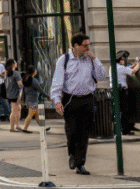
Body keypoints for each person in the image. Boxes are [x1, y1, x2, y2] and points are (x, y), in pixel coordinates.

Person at [50, 32, 105, 175]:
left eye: (88, 45)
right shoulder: (64, 60)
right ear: (76, 46)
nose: (88, 48)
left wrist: (95, 60)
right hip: (71, 99)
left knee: (84, 133)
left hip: (88, 98)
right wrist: (57, 101)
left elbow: (101, 76)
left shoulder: (90, 59)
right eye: (85, 45)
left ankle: (80, 164)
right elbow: (57, 81)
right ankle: (73, 154)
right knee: (72, 131)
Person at [109, 51, 140, 134]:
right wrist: (137, 65)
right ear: (121, 60)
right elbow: (133, 71)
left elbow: (126, 69)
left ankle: (117, 129)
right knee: (124, 111)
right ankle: (126, 130)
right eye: (125, 59)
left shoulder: (113, 67)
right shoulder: (120, 68)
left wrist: (133, 66)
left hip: (115, 90)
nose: (126, 61)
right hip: (121, 91)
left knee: (117, 111)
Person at [20, 65, 49, 133]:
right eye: (35, 70)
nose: (36, 71)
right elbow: (40, 90)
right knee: (30, 115)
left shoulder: (25, 79)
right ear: (34, 72)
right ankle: (25, 128)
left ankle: (43, 128)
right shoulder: (34, 80)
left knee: (37, 116)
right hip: (32, 100)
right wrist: (48, 96)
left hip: (28, 100)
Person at [5, 59, 23, 132]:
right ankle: (12, 127)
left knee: (18, 108)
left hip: (10, 94)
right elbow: (20, 84)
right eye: (15, 63)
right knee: (14, 111)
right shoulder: (16, 73)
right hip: (16, 94)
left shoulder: (7, 73)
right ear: (13, 65)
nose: (16, 63)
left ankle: (17, 125)